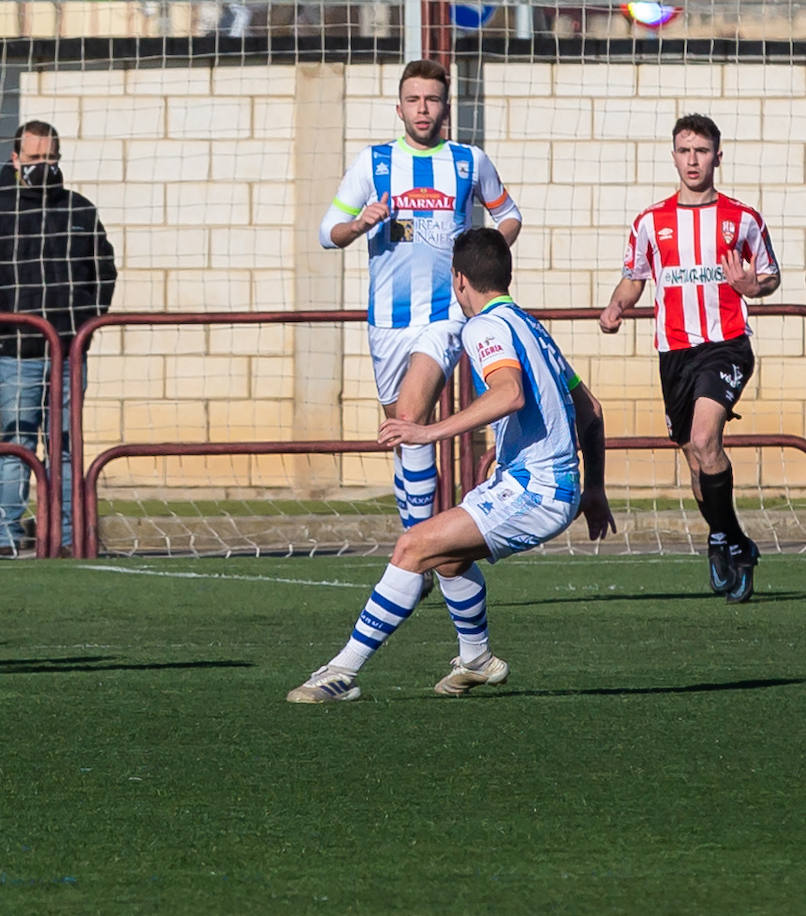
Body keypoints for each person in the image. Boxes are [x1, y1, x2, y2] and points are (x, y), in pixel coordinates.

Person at [287, 228, 615, 703]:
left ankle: (340, 672)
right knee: (449, 558)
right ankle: (477, 659)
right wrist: (594, 489)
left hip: (536, 490)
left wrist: (425, 431)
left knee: (412, 547)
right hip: (543, 484)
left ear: (459, 281)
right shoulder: (530, 326)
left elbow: (510, 393)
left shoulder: (483, 327)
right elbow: (591, 411)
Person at [319, 59, 522, 537]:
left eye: (431, 99)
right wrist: (359, 225)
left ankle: (419, 545)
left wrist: (484, 255)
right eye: (414, 100)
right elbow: (328, 233)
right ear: (399, 107)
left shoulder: (470, 160)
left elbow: (509, 215)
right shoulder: (374, 162)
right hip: (387, 320)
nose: (423, 108)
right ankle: (420, 538)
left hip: (445, 315)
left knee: (411, 417)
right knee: (402, 434)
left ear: (445, 106)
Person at [600, 114, 779, 604]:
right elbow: (634, 277)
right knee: (697, 461)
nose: (693, 160)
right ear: (674, 155)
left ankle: (728, 541)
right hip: (673, 353)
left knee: (705, 439)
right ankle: (730, 540)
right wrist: (618, 304)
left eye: (702, 150)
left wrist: (751, 286)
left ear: (717, 156)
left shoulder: (742, 218)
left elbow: (769, 276)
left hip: (725, 344)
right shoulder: (649, 222)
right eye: (684, 150)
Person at [0, 120, 117, 558]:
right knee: (15, 445)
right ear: (15, 160)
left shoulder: (80, 211)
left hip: (68, 351)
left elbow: (104, 272)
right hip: (16, 353)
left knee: (65, 446)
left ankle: (66, 538)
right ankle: (7, 537)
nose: (42, 166)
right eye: (33, 159)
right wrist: (5, 326)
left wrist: (84, 323)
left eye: (49, 159)